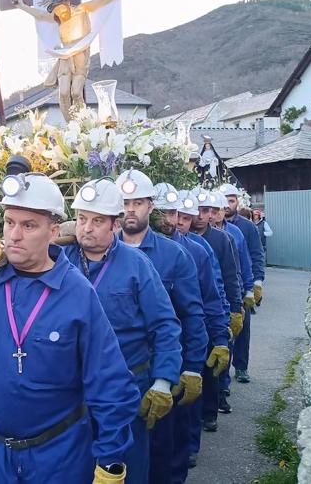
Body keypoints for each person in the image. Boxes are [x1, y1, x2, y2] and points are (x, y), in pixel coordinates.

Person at [0, 172, 140, 483]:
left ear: (53, 232)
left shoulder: (77, 293)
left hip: (59, 454)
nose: (14, 235)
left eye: (28, 226)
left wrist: (110, 460)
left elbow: (109, 381)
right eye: (9, 222)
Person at [62, 178, 182, 484]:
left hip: (126, 388)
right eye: (82, 219)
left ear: (116, 225)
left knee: (126, 468)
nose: (86, 228)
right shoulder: (61, 262)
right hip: (73, 389)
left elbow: (165, 325)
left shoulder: (136, 265)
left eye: (97, 221)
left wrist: (163, 381)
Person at [114, 170, 208, 484]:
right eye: (124, 202)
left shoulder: (174, 255)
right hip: (118, 375)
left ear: (150, 206)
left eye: (137, 202)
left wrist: (192, 367)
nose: (130, 209)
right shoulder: (98, 254)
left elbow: (191, 314)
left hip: (161, 372)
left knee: (162, 457)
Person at [152, 184, 229, 479]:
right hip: (144, 358)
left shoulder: (196, 250)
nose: (172, 220)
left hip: (182, 350)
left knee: (180, 426)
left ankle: (188, 454)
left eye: (175, 213)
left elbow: (210, 298)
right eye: (165, 212)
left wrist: (219, 337)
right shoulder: (122, 249)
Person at [10, 0, 138, 120]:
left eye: (62, 10)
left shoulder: (81, 10)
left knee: (76, 92)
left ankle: (83, 122)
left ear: (67, 3)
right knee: (63, 93)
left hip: (81, 55)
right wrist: (21, 5)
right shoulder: (57, 16)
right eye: (57, 12)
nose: (61, 15)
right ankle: (70, 125)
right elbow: (40, 15)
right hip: (65, 56)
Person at [175, 190, 231, 467]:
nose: (181, 223)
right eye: (178, 216)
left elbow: (216, 289)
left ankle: (191, 444)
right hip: (166, 341)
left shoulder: (201, 248)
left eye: (185, 217)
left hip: (194, 331)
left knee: (194, 390)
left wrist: (221, 333)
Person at [190, 188, 243, 414]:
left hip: (216, 305)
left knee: (216, 360)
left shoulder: (222, 239)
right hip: (195, 308)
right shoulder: (185, 239)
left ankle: (216, 401)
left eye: (208, 210)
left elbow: (231, 276)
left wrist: (235, 307)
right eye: (199, 211)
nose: (203, 216)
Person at [210, 191, 255, 384]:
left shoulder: (237, 232)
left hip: (234, 288)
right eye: (209, 210)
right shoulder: (199, 236)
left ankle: (242, 367)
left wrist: (251, 287)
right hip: (215, 292)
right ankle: (223, 384)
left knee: (241, 331)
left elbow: (245, 262)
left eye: (218, 209)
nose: (215, 214)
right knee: (222, 337)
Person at [220, 183, 266, 309]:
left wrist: (257, 281)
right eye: (224, 201)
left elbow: (256, 254)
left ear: (237, 202)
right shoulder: (209, 226)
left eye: (231, 201)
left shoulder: (247, 226)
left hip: (243, 287)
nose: (227, 205)